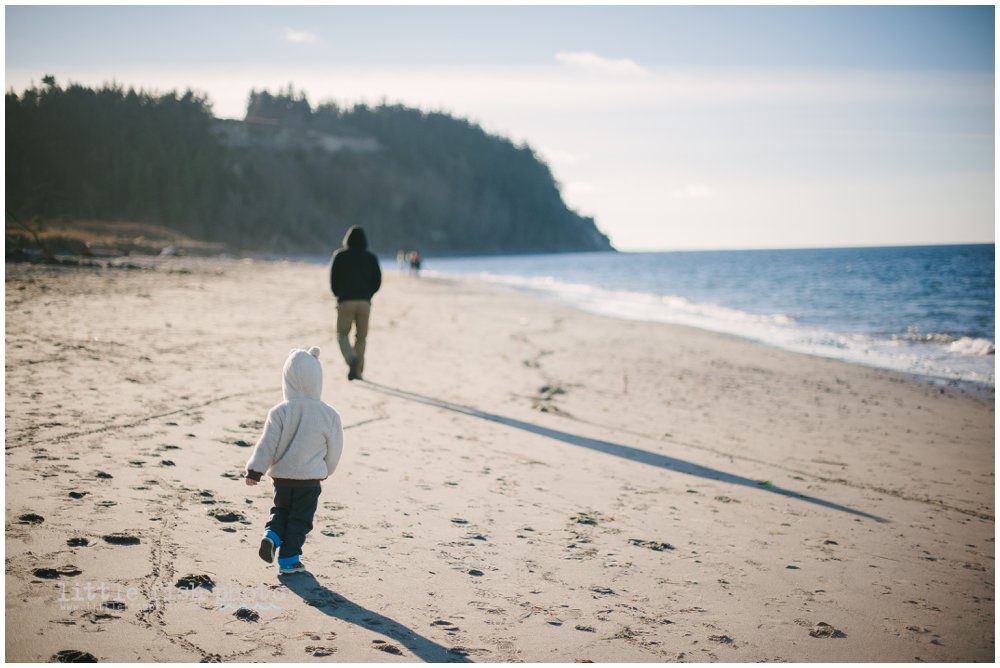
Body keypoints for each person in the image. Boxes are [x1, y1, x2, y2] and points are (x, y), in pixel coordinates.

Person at [244, 347, 344, 575]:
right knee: (300, 519)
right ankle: (289, 559)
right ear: (317, 379)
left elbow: (267, 444)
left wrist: (255, 470)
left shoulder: (279, 411)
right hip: (309, 480)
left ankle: (272, 535)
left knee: (281, 510)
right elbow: (335, 448)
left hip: (281, 477)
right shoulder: (329, 414)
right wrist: (326, 469)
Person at [330, 226, 382, 380]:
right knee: (361, 337)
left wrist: (338, 294)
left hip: (345, 301)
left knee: (342, 334)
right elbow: (377, 281)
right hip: (364, 302)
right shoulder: (371, 257)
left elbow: (333, 280)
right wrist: (368, 295)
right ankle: (358, 371)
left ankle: (351, 359)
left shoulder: (340, 256)